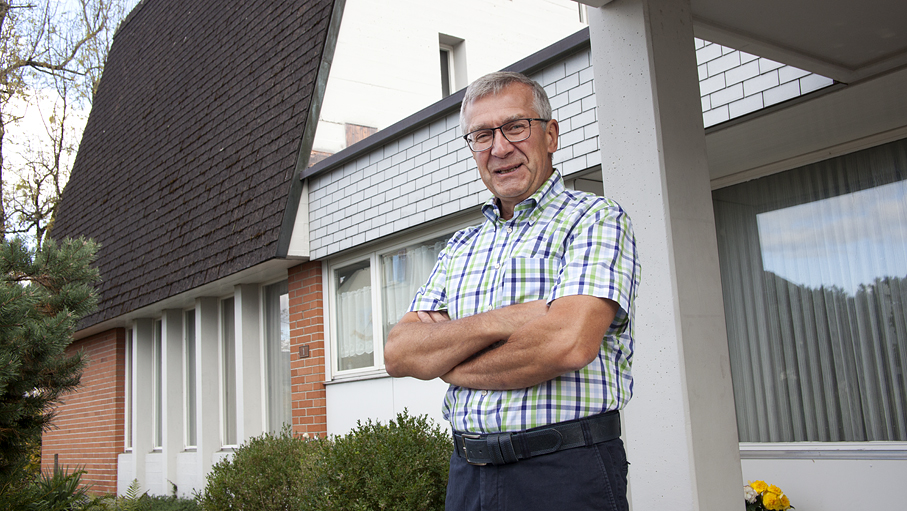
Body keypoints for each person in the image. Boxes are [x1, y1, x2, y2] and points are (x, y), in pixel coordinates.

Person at [384, 71, 640, 511]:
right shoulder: (460, 247)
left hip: (564, 473)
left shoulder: (595, 220)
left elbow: (567, 343)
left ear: (550, 135)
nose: (500, 148)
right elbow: (401, 352)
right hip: (469, 476)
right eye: (482, 135)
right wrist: (507, 319)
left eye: (515, 127)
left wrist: (451, 362)